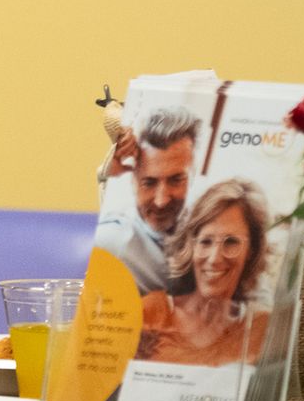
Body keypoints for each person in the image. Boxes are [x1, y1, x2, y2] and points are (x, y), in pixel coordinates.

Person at [136, 178, 272, 366]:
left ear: (251, 250)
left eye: (231, 242)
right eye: (206, 241)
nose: (214, 258)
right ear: (191, 246)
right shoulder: (149, 312)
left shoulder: (261, 328)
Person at [94, 105, 200, 292]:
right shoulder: (114, 241)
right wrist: (106, 178)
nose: (161, 201)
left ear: (194, 175)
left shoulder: (215, 232)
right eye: (149, 183)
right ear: (132, 179)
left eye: (176, 180)